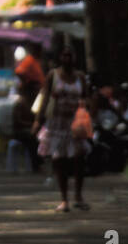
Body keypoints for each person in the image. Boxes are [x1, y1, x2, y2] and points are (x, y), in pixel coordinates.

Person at [32, 46, 91, 213]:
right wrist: (38, 120)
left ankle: (78, 196)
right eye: (64, 56)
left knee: (79, 159)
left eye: (70, 56)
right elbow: (44, 97)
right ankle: (64, 199)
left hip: (75, 124)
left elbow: (86, 97)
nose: (67, 59)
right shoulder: (53, 75)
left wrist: (88, 115)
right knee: (59, 160)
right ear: (60, 58)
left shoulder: (80, 77)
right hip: (56, 123)